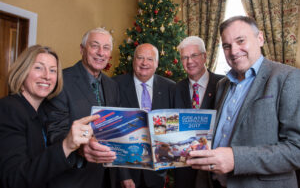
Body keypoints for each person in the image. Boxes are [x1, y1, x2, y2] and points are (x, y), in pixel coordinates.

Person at [187, 16, 300, 188]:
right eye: (226, 46)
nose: (233, 51)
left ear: (260, 38)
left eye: (241, 41)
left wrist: (236, 159)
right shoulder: (222, 85)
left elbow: (296, 150)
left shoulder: (287, 78)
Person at [0, 45, 106, 188]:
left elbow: (48, 162)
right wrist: (67, 145)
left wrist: (81, 149)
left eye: (53, 70)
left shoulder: (43, 111)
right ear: (23, 71)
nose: (47, 76)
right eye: (38, 67)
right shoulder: (9, 109)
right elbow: (14, 179)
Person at [45, 27, 119, 188]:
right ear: (82, 49)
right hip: (74, 178)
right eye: (95, 46)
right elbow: (54, 132)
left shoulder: (112, 85)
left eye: (106, 48)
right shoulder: (61, 81)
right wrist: (80, 148)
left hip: (107, 178)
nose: (101, 52)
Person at [113, 43, 175, 188]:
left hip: (156, 172)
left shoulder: (171, 88)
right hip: (125, 169)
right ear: (133, 60)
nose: (144, 63)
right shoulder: (115, 85)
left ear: (157, 63)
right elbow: (112, 133)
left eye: (150, 59)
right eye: (140, 58)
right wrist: (123, 175)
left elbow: (172, 130)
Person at [173, 36, 224, 188]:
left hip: (215, 167)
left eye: (194, 55)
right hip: (184, 167)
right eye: (184, 57)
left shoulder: (223, 84)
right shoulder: (175, 89)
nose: (189, 61)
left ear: (204, 56)